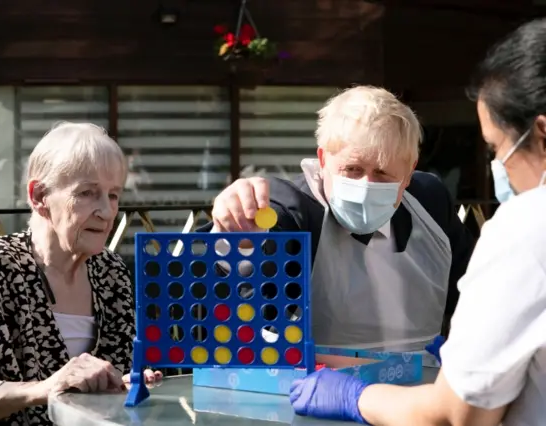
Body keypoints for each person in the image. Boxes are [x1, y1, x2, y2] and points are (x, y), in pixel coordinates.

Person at [289, 18, 546, 425]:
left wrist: (356, 396)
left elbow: (458, 415)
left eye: (496, 148)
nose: (498, 165)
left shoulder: (525, 231)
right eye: (353, 168)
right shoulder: (299, 208)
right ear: (323, 162)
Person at [0, 122, 161, 425]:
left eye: (112, 195)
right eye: (87, 193)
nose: (108, 212)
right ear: (39, 196)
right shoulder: (1, 265)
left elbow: (119, 380)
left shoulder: (110, 272)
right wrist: (44, 389)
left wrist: (128, 383)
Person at [207, 85, 475, 351]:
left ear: (408, 173)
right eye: (353, 169)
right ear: (322, 160)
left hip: (420, 387)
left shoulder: (429, 202)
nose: (366, 184)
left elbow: (474, 295)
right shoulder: (293, 210)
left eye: (382, 173)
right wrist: (238, 239)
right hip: (319, 389)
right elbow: (245, 297)